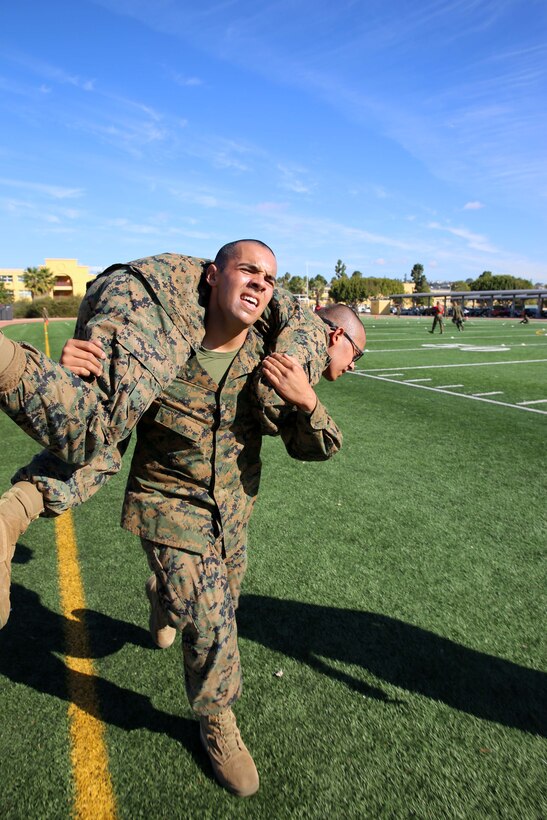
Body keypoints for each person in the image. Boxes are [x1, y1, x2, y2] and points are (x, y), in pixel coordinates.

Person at [0, 241, 365, 797]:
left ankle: (164, 594)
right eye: (247, 270)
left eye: (268, 278)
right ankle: (217, 721)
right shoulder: (161, 339)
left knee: (214, 599)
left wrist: (307, 401)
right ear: (213, 276)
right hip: (168, 503)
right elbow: (99, 436)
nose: (259, 284)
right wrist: (80, 374)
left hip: (231, 511)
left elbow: (316, 445)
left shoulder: (273, 352)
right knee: (214, 621)